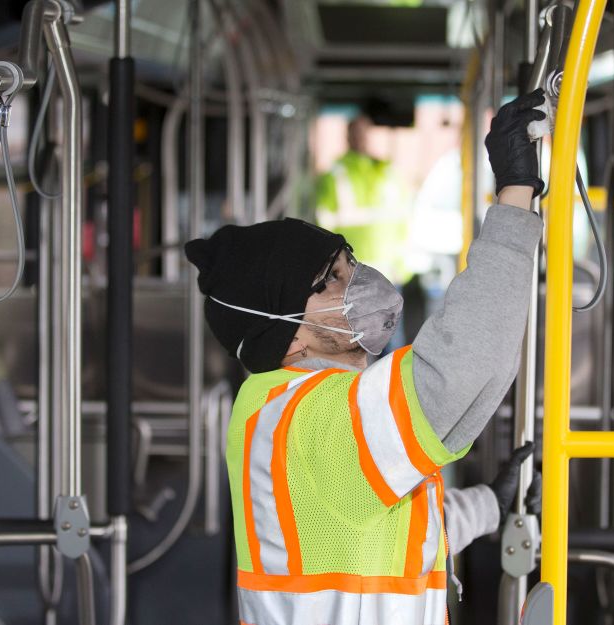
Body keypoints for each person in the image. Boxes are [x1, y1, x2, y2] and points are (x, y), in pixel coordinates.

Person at [185, 89, 547, 625]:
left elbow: (391, 523)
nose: (356, 281)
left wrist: (489, 506)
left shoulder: (294, 413)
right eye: (327, 280)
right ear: (287, 339)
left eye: (347, 261)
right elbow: (463, 367)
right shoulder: (308, 424)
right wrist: (515, 198)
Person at [315, 114, 412, 285]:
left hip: (387, 272)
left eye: (364, 133)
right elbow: (323, 225)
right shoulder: (335, 174)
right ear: (347, 137)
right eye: (356, 133)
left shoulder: (387, 173)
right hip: (351, 273)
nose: (361, 138)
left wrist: (403, 265)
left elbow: (404, 218)